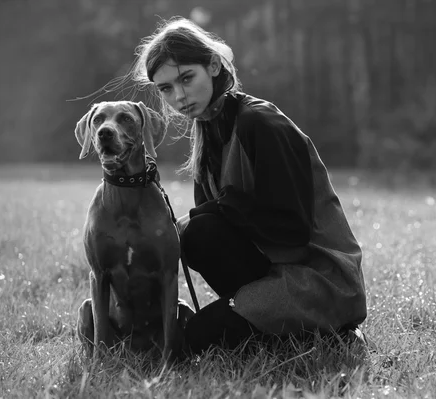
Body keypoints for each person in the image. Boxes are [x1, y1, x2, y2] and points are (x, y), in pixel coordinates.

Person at [129, 17, 367, 356]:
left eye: (186, 78)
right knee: (198, 238)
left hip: (318, 278)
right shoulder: (208, 129)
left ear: (212, 65)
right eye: (166, 88)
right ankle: (271, 325)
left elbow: (291, 229)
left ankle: (330, 329)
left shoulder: (261, 123)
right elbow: (216, 234)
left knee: (193, 335)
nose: (179, 96)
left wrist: (197, 216)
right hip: (273, 271)